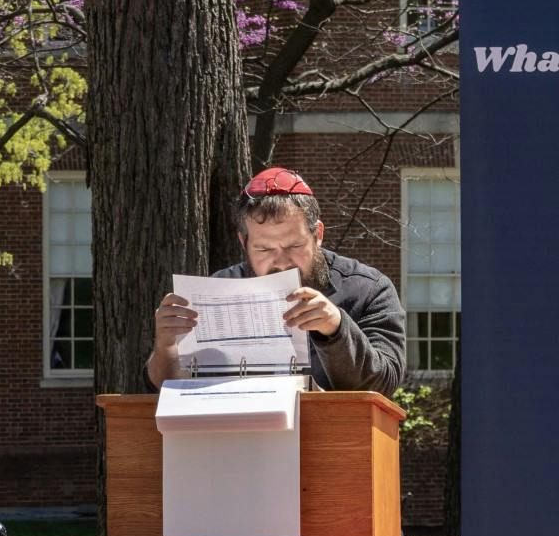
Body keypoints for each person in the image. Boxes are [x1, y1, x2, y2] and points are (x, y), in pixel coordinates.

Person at [147, 167, 407, 393]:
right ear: (243, 242)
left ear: (317, 234)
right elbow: (169, 386)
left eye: (294, 245)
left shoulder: (368, 289)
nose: (281, 262)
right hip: (237, 443)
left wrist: (336, 328)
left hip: (339, 443)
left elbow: (385, 385)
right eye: (264, 250)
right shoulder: (220, 287)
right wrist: (167, 344)